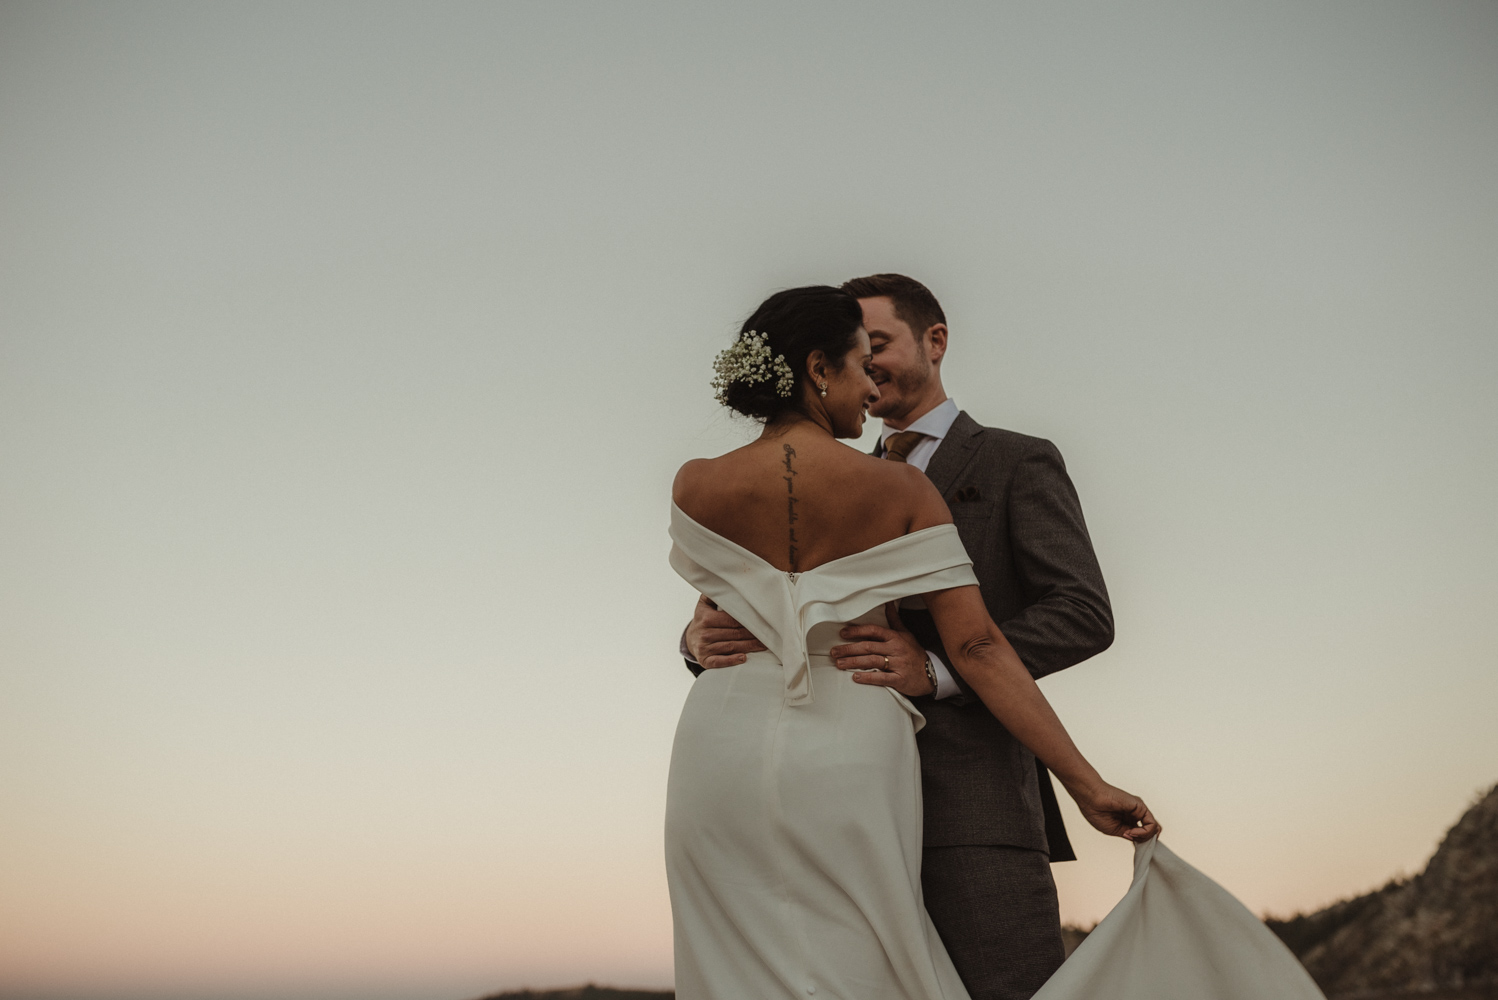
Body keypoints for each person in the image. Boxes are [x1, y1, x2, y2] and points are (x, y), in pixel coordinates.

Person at [665, 285, 1159, 1000]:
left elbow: (1081, 611)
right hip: (854, 752)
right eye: (859, 360)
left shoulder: (695, 482)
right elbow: (980, 646)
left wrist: (930, 669)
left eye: (879, 352)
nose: (868, 380)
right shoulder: (891, 487)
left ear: (935, 340)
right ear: (818, 368)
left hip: (726, 755)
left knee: (745, 968)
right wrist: (1086, 782)